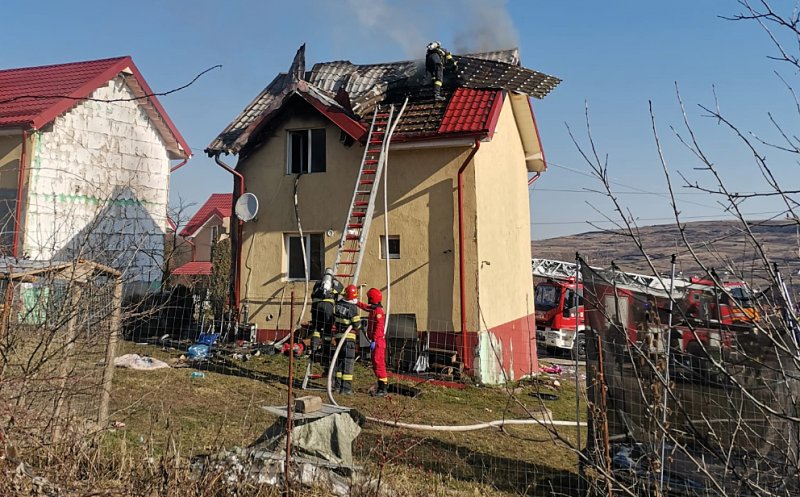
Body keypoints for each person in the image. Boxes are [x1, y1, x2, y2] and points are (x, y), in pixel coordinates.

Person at [310, 268, 342, 371]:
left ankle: (314, 351)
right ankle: (325, 355)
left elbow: (312, 295)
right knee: (327, 332)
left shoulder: (318, 282)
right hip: (327, 307)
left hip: (316, 306)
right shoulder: (335, 282)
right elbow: (345, 293)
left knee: (316, 329)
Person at [358, 288, 388, 397]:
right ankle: (381, 385)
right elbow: (366, 307)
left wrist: (374, 339)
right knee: (376, 363)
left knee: (379, 363)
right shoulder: (374, 309)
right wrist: (356, 302)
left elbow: (378, 327)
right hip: (376, 341)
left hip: (378, 341)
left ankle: (383, 388)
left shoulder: (378, 312)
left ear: (372, 298)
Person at [333, 284, 362, 395]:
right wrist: (360, 326)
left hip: (339, 337)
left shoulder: (338, 304)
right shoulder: (352, 308)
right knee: (348, 362)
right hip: (349, 338)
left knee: (339, 361)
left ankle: (337, 386)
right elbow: (357, 325)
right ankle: (346, 389)